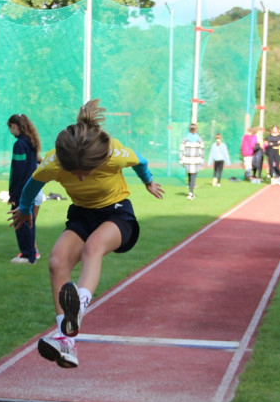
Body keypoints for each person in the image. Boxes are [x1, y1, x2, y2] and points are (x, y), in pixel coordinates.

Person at [10, 99, 164, 368]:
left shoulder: (112, 153)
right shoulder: (54, 162)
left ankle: (78, 305)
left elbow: (140, 161)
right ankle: (66, 341)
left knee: (94, 246)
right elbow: (32, 184)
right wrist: (24, 210)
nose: (81, 179)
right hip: (81, 215)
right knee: (57, 261)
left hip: (117, 214)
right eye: (75, 174)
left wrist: (148, 180)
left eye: (87, 173)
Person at [7, 113, 42, 264]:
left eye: (10, 127)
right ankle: (31, 254)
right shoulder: (31, 142)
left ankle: (28, 255)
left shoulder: (20, 144)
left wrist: (13, 193)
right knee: (29, 220)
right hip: (30, 189)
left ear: (14, 126)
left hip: (21, 190)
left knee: (21, 222)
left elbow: (18, 171)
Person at [178, 123, 204, 200]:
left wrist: (181, 160)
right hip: (195, 161)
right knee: (193, 177)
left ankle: (190, 191)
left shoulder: (185, 139)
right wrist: (202, 160)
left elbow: (181, 150)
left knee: (190, 176)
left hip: (187, 161)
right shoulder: (199, 139)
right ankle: (191, 192)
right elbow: (202, 151)